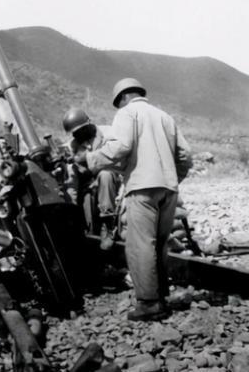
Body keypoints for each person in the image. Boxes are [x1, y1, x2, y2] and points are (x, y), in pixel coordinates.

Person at [82, 78, 192, 321]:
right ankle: (161, 295)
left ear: (122, 98)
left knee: (140, 244)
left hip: (142, 188)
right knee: (160, 244)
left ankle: (149, 303)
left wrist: (89, 160)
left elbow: (120, 147)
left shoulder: (127, 113)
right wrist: (172, 178)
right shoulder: (165, 117)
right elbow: (185, 156)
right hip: (169, 189)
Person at [62, 108, 121, 244]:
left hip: (114, 182)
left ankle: (108, 224)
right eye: (75, 133)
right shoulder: (74, 146)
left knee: (105, 175)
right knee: (86, 197)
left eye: (81, 130)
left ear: (89, 124)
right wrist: (71, 209)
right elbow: (72, 181)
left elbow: (116, 160)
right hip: (92, 189)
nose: (78, 135)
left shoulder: (108, 134)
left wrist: (87, 159)